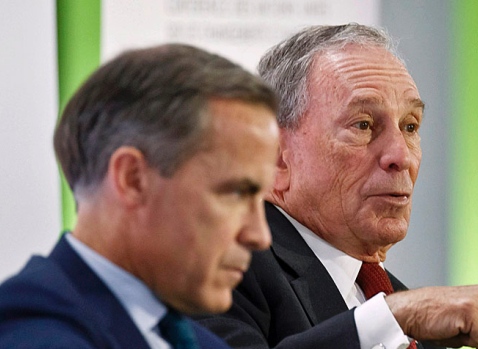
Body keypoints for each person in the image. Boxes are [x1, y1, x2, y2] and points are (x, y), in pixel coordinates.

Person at [198, 24, 478, 349]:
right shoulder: (219, 265)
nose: (401, 156)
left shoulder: (411, 319)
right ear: (276, 157)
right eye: (364, 124)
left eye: (410, 126)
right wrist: (392, 317)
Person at [0, 44, 280, 348]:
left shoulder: (201, 343)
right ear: (133, 179)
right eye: (236, 193)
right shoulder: (33, 337)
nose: (260, 236)